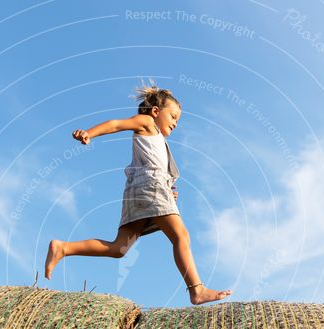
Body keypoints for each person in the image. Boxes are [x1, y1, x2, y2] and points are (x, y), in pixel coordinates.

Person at [44, 83, 232, 305]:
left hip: (140, 191)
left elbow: (154, 166)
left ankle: (64, 248)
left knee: (119, 248)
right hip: (150, 187)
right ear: (155, 111)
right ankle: (196, 290)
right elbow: (116, 125)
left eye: (177, 120)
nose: (175, 123)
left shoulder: (157, 139)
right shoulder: (147, 123)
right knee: (181, 236)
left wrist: (168, 191)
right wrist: (89, 133)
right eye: (172, 116)